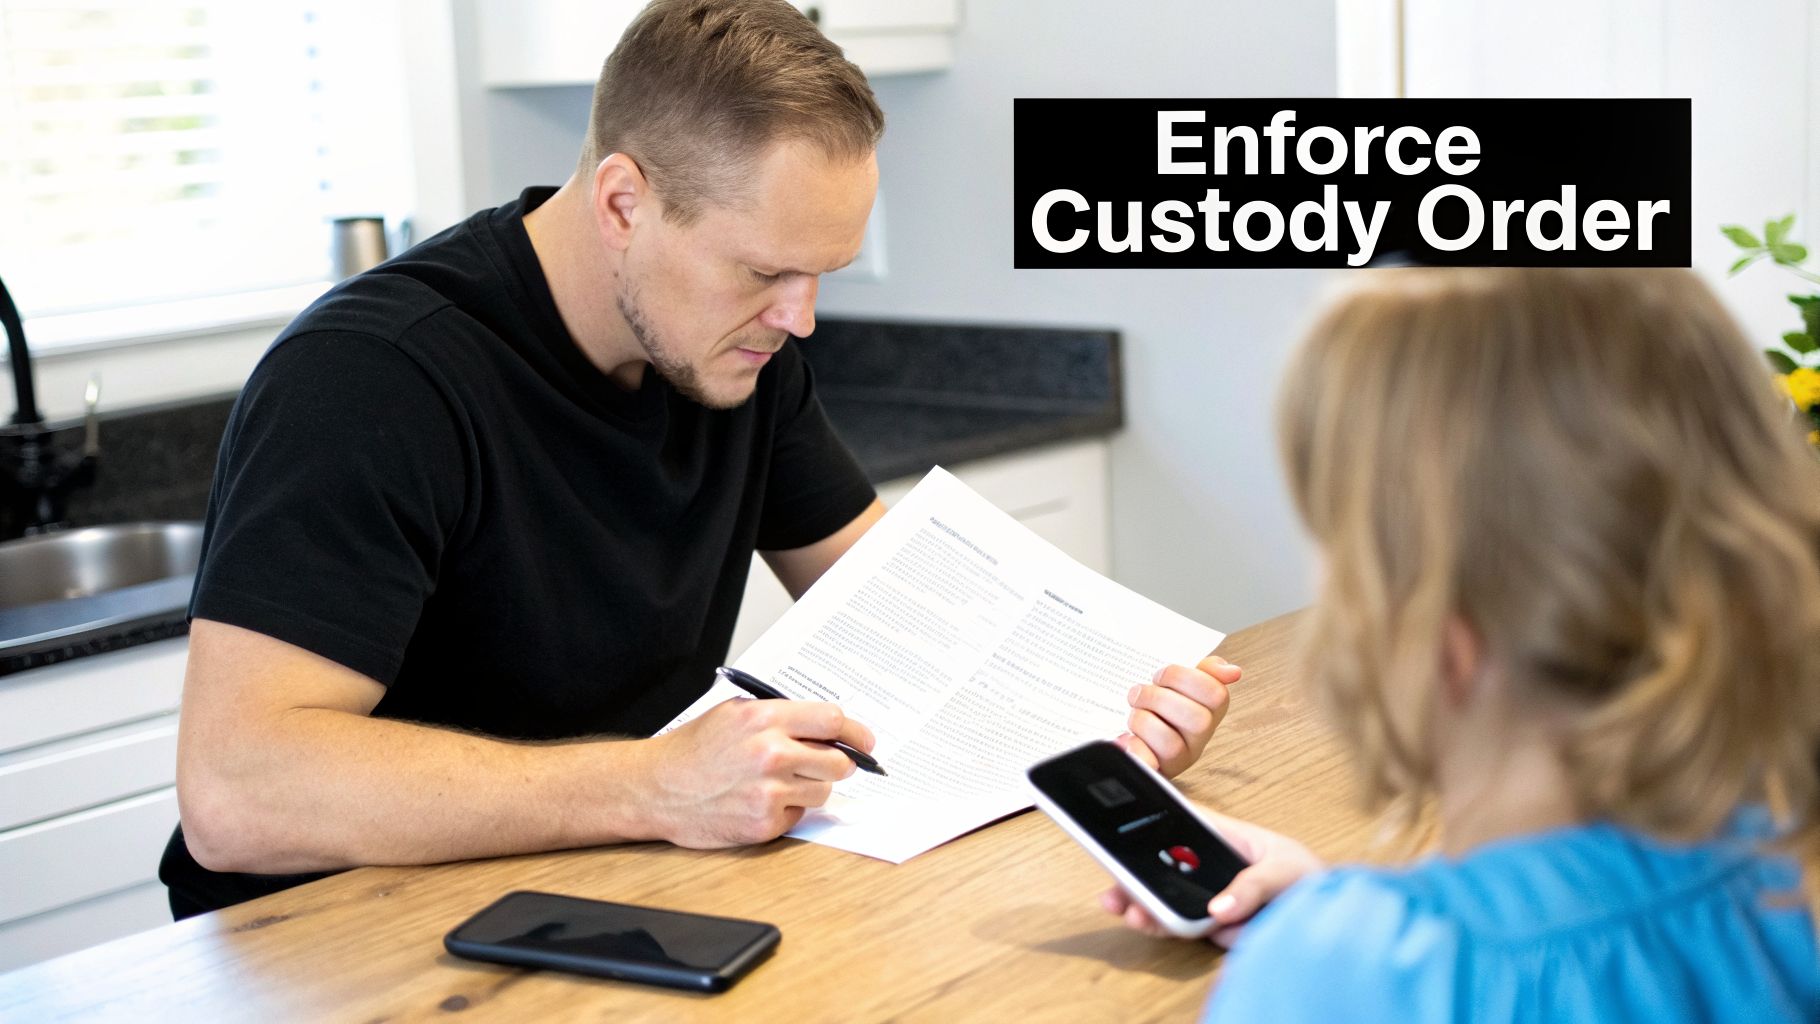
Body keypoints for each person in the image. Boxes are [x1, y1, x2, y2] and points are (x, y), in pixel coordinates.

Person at [161, 0, 1237, 919]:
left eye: (821, 273)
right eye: (766, 270)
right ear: (624, 201)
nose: (801, 318)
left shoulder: (736, 352)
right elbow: (237, 793)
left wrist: (1101, 728)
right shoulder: (371, 380)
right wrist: (651, 785)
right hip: (336, 942)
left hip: (602, 897)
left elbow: (915, 616)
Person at [1102, 267, 1820, 1020]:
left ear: (1434, 630)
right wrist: (1347, 915)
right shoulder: (1774, 873)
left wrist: (1350, 942)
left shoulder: (1333, 977)